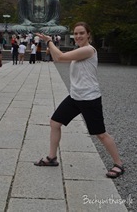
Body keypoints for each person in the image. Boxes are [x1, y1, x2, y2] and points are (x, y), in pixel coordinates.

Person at [34, 22, 125, 179]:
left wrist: (49, 41)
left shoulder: (89, 50)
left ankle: (119, 164)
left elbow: (61, 57)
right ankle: (52, 157)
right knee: (55, 123)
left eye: (81, 33)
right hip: (75, 96)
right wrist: (49, 42)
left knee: (100, 134)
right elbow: (57, 58)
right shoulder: (79, 51)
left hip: (89, 98)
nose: (78, 36)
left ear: (88, 34)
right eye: (75, 34)